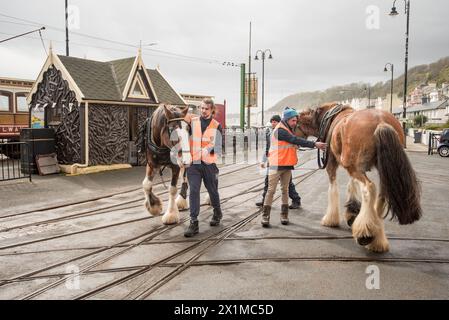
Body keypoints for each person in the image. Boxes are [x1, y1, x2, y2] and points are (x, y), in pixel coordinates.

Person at [261, 107, 326, 227]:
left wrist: (294, 145)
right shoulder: (280, 130)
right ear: (286, 120)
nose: (295, 123)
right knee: (271, 191)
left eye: (296, 120)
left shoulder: (288, 129)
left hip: (286, 165)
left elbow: (291, 142)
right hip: (275, 165)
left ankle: (284, 215)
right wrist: (314, 144)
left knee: (285, 190)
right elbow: (294, 139)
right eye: (293, 121)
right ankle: (265, 216)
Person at [184, 98, 223, 237]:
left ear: (212, 110)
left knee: (212, 191)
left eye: (206, 108)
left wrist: (207, 150)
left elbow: (218, 145)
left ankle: (217, 212)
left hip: (209, 165)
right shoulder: (193, 122)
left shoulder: (216, 125)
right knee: (194, 190)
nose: (203, 110)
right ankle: (193, 222)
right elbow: (184, 139)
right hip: (194, 165)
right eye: (201, 108)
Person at [256, 114, 302, 209]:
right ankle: (265, 200)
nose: (273, 123)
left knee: (288, 184)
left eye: (275, 122)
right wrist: (264, 160)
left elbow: (293, 141)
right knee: (267, 182)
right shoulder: (270, 134)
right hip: (273, 162)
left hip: (283, 162)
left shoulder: (283, 132)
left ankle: (296, 200)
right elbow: (268, 149)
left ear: (279, 122)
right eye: (272, 122)